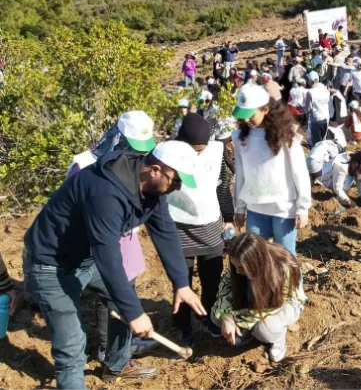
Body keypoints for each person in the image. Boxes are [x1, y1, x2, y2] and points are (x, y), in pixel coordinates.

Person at [24, 139, 206, 388]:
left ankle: (116, 366)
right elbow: (107, 254)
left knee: (123, 296)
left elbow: (165, 231)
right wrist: (134, 313)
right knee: (72, 348)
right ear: (155, 170)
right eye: (176, 180)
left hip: (86, 258)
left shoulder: (151, 190)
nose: (177, 187)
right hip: (52, 265)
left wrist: (182, 283)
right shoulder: (106, 191)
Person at [66, 111, 161, 362]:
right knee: (108, 294)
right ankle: (108, 349)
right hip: (98, 242)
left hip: (126, 241)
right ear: (118, 136)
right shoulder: (84, 164)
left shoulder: (136, 162)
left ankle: (121, 347)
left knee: (124, 291)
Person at [167, 114, 234, 346]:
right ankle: (183, 327)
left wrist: (229, 218)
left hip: (210, 228)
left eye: (201, 149)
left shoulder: (216, 152)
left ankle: (207, 319)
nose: (198, 153)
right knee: (182, 282)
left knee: (212, 280)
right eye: (194, 149)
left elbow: (222, 188)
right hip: (178, 229)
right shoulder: (167, 154)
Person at [231, 84, 311, 257]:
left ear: (265, 109)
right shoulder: (239, 138)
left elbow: (300, 172)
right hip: (255, 209)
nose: (246, 120)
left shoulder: (285, 136)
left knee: (285, 258)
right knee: (255, 259)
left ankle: (293, 286)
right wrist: (240, 208)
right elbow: (241, 174)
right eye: (243, 116)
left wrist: (302, 207)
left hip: (283, 208)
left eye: (250, 115)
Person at [211, 233, 306, 362]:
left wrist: (234, 317)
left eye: (241, 267)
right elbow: (225, 287)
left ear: (255, 262)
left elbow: (276, 306)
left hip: (283, 305)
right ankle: (251, 333)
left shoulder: (282, 266)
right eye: (235, 266)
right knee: (216, 316)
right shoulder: (238, 260)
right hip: (253, 302)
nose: (237, 271)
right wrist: (226, 315)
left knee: (265, 330)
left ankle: (277, 339)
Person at [304, 72, 330, 147]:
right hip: (326, 117)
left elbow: (307, 109)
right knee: (323, 141)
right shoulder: (326, 90)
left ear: (310, 81)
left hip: (316, 119)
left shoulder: (310, 92)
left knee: (316, 144)